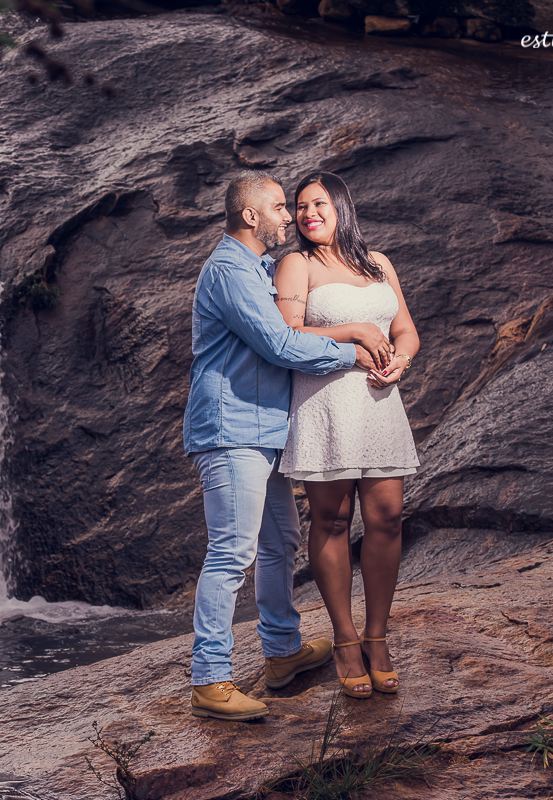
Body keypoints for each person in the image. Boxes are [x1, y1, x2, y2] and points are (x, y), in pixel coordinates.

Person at [183, 170, 392, 721]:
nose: (289, 217)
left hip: (268, 429)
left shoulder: (257, 269)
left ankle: (282, 651)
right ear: (250, 216)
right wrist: (355, 347)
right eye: (279, 207)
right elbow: (280, 343)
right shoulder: (229, 271)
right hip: (231, 431)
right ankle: (210, 679)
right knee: (231, 551)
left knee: (280, 543)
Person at [273, 171, 420, 699]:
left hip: (380, 403)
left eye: (319, 203)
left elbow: (405, 328)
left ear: (341, 205)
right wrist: (354, 331)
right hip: (325, 403)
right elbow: (286, 333)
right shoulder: (296, 263)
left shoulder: (377, 263)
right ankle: (344, 639)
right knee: (333, 520)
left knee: (386, 519)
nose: (309, 213)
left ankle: (378, 637)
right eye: (300, 206)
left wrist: (400, 361)